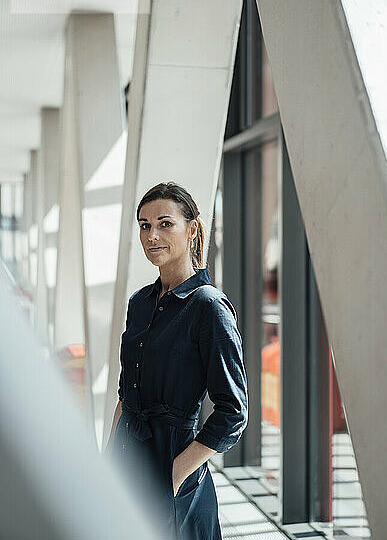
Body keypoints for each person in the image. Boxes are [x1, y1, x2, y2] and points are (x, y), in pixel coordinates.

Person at [106, 181, 248, 540]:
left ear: (192, 229)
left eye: (165, 223)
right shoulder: (140, 303)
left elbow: (233, 412)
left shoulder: (209, 308)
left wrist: (174, 474)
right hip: (126, 456)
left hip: (172, 463)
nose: (152, 235)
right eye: (144, 225)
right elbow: (127, 393)